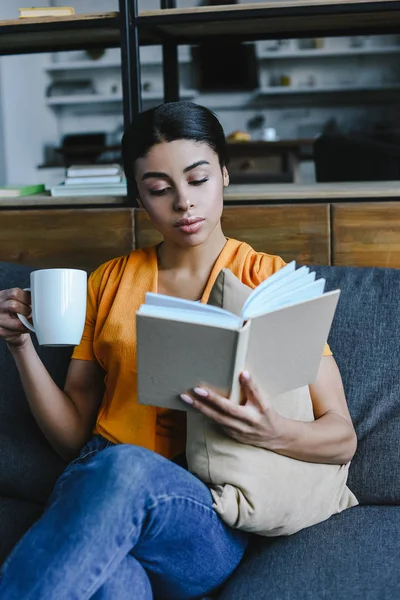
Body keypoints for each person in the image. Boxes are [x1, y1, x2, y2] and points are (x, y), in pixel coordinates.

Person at [0, 101, 357, 600]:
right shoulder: (110, 281)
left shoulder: (269, 280)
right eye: (159, 190)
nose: (184, 203)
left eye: (198, 179)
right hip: (94, 484)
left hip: (203, 517)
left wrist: (274, 432)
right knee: (117, 584)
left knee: (126, 467)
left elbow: (342, 437)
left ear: (225, 174)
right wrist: (20, 345)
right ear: (140, 198)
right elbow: (70, 441)